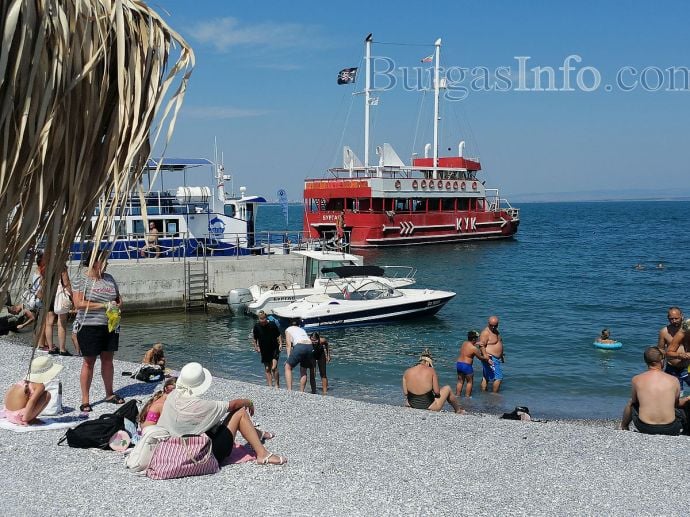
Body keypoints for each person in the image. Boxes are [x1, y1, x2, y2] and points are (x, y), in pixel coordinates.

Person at [157, 362, 286, 465]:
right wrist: (249, 402)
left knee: (214, 420)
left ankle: (257, 433)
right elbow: (234, 405)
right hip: (199, 455)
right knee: (240, 413)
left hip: (171, 450)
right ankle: (262, 454)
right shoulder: (202, 406)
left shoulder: (172, 395)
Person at [71, 248, 124, 412]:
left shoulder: (109, 278)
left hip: (110, 325)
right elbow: (78, 304)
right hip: (88, 326)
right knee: (89, 362)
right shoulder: (81, 278)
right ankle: (85, 400)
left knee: (108, 360)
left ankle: (109, 393)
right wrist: (103, 305)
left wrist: (117, 305)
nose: (107, 263)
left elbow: (118, 298)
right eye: (104, 260)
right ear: (95, 261)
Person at [621, 347, 689, 435]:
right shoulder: (674, 380)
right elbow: (676, 404)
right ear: (661, 361)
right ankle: (687, 431)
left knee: (631, 402)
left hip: (645, 427)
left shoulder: (636, 379)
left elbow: (634, 402)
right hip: (671, 428)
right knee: (686, 401)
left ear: (646, 361)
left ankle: (624, 426)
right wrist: (686, 399)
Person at [2, 356, 63, 425]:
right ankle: (31, 418)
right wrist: (25, 419)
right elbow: (32, 401)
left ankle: (27, 416)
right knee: (47, 395)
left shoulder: (23, 382)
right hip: (19, 417)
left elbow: (8, 395)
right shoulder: (39, 386)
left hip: (8, 414)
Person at [402, 349, 464, 413]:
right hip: (429, 406)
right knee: (447, 388)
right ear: (428, 362)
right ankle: (458, 410)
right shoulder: (431, 371)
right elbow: (437, 392)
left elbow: (406, 393)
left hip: (411, 404)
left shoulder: (407, 372)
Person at [46, 265, 76, 356]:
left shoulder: (47, 265)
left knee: (49, 323)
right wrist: (72, 297)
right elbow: (66, 283)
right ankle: (62, 349)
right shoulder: (61, 266)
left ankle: (50, 348)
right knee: (61, 322)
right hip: (59, 296)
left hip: (48, 295)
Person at [456, 330, 491, 397]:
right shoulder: (474, 348)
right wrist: (486, 358)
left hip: (459, 364)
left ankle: (457, 395)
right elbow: (480, 358)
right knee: (469, 382)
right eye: (477, 338)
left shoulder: (464, 343)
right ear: (474, 338)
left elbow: (470, 345)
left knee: (460, 381)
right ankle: (467, 397)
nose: (477, 339)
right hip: (467, 366)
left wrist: (477, 343)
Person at [284, 319, 316, 393]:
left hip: (300, 346)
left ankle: (289, 391)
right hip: (310, 346)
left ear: (290, 325)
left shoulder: (288, 329)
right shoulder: (302, 330)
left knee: (287, 367)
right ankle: (301, 392)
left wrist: (288, 359)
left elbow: (288, 345)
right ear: (298, 325)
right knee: (303, 370)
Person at [252, 311, 282, 388]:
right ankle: (270, 386)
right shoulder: (257, 326)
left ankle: (277, 385)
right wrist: (256, 347)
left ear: (266, 317)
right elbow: (255, 338)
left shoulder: (272, 324)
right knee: (267, 368)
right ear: (258, 319)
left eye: (264, 318)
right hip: (264, 349)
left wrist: (281, 344)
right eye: (261, 319)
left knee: (274, 367)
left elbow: (278, 334)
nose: (263, 320)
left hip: (274, 347)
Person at [480, 315, 505, 393]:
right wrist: (486, 357)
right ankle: (494, 395)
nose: (493, 327)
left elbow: (498, 343)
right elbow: (481, 345)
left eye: (495, 326)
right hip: (490, 358)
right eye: (491, 325)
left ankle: (484, 393)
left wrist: (501, 355)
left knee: (486, 376)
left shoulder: (495, 331)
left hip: (494, 358)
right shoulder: (485, 333)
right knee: (499, 377)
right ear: (488, 323)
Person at [664, 318, 690, 392]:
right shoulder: (680, 334)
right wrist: (681, 355)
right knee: (676, 392)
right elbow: (668, 353)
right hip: (674, 368)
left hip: (687, 367)